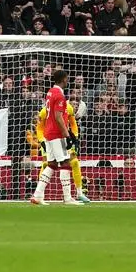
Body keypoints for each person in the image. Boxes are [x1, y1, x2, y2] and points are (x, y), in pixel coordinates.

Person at [30, 68, 78, 206]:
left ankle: (38, 195)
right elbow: (58, 117)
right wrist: (67, 135)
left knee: (51, 164)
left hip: (48, 133)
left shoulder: (50, 92)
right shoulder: (60, 96)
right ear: (64, 79)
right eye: (67, 78)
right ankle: (67, 198)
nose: (68, 80)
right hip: (57, 134)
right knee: (65, 163)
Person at [34, 96, 91, 204]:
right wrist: (42, 141)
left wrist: (75, 137)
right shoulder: (44, 112)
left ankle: (79, 193)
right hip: (48, 140)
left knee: (74, 162)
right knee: (47, 164)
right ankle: (40, 194)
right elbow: (39, 128)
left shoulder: (68, 108)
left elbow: (73, 124)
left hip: (64, 139)